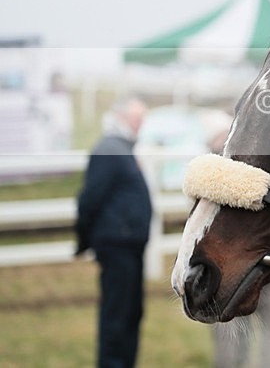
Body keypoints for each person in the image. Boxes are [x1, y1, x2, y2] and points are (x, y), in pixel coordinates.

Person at [76, 97, 152, 368]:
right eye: (135, 118)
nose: (140, 124)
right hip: (117, 246)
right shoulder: (110, 148)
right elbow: (90, 197)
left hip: (129, 246)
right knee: (117, 315)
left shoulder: (123, 148)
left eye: (142, 118)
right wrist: (84, 238)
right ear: (120, 117)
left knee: (131, 313)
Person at [206, 128, 270, 368]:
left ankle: (265, 363)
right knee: (238, 324)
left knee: (259, 320)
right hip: (242, 265)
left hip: (253, 264)